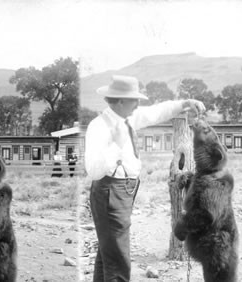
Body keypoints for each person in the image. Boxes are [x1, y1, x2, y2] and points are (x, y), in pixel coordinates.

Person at [85, 75, 205, 282]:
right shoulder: (99, 127)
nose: (138, 103)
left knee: (108, 254)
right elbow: (94, 171)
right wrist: (116, 145)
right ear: (120, 101)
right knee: (119, 261)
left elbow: (155, 113)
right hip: (110, 192)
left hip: (121, 192)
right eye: (134, 99)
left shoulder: (127, 118)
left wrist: (184, 104)